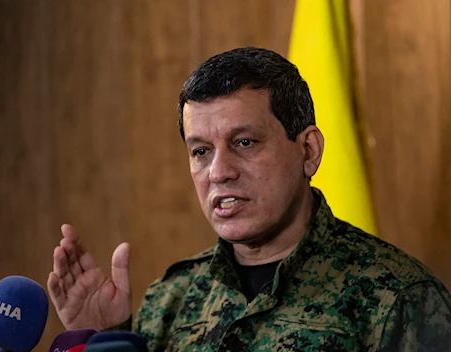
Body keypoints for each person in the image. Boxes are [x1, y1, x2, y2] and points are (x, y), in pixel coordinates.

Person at [47, 47, 451, 351]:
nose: (219, 171)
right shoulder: (170, 299)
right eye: (201, 151)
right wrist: (102, 339)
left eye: (244, 142)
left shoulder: (399, 297)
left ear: (308, 151)